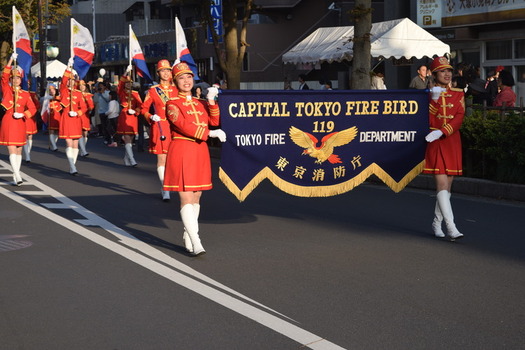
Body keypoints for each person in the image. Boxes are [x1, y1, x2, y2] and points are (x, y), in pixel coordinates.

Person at [164, 62, 226, 255]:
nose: (186, 81)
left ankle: (189, 233)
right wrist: (210, 134)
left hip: (200, 151)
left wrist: (212, 101)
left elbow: (215, 121)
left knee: (197, 195)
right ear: (175, 82)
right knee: (186, 196)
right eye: (181, 78)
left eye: (189, 77)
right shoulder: (172, 104)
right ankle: (196, 240)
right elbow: (183, 126)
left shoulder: (200, 103)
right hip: (182, 149)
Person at [423, 56, 465, 240]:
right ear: (434, 74)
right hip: (435, 142)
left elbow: (459, 117)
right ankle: (452, 227)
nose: (447, 74)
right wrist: (433, 100)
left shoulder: (458, 93)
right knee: (441, 184)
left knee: (447, 188)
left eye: (449, 70)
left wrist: (443, 131)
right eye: (442, 71)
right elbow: (428, 120)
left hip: (451, 141)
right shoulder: (427, 94)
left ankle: (436, 223)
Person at [141, 59, 179, 201]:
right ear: (158, 73)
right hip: (161, 126)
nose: (166, 73)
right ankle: (165, 188)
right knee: (162, 158)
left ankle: (173, 183)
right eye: (163, 70)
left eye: (168, 70)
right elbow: (144, 109)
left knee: (174, 158)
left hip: (176, 127)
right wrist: (151, 116)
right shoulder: (153, 90)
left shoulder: (177, 89)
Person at [0, 54, 37, 185]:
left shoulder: (25, 94)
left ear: (21, 80)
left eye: (18, 78)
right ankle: (17, 174)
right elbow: (3, 77)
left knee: (19, 149)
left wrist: (23, 115)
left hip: (20, 121)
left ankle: (16, 172)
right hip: (9, 120)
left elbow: (33, 109)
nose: (15, 80)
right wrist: (10, 60)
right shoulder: (7, 90)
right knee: (11, 148)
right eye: (13, 78)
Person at [59, 59, 88, 175]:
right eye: (69, 80)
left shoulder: (78, 93)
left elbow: (84, 107)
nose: (70, 82)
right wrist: (68, 66)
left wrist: (77, 113)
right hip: (66, 118)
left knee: (75, 143)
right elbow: (63, 80)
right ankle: (72, 166)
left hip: (75, 118)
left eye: (72, 80)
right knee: (69, 143)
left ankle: (72, 166)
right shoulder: (63, 90)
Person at [117, 65, 142, 166]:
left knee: (131, 138)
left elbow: (141, 105)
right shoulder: (121, 92)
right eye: (126, 83)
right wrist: (126, 73)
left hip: (133, 117)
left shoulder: (135, 94)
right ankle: (132, 159)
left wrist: (136, 111)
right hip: (125, 116)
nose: (127, 85)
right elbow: (120, 84)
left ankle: (126, 158)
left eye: (129, 83)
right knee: (127, 137)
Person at [24, 85, 41, 162]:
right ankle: (27, 155)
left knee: (30, 136)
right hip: (22, 116)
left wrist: (31, 110)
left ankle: (28, 152)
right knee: (25, 135)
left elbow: (37, 105)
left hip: (30, 116)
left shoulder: (32, 94)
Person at [42, 83, 62, 151]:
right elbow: (44, 107)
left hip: (58, 116)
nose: (52, 91)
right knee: (51, 131)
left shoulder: (59, 98)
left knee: (57, 132)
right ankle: (54, 146)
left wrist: (54, 97)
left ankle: (54, 144)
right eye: (50, 90)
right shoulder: (47, 99)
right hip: (50, 116)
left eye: (53, 89)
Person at [78, 80, 94, 156]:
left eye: (83, 85)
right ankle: (83, 150)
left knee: (85, 133)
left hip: (86, 115)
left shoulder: (88, 95)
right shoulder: (76, 94)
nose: (82, 87)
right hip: (78, 114)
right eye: (80, 85)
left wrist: (90, 107)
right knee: (80, 132)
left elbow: (91, 105)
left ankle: (82, 148)